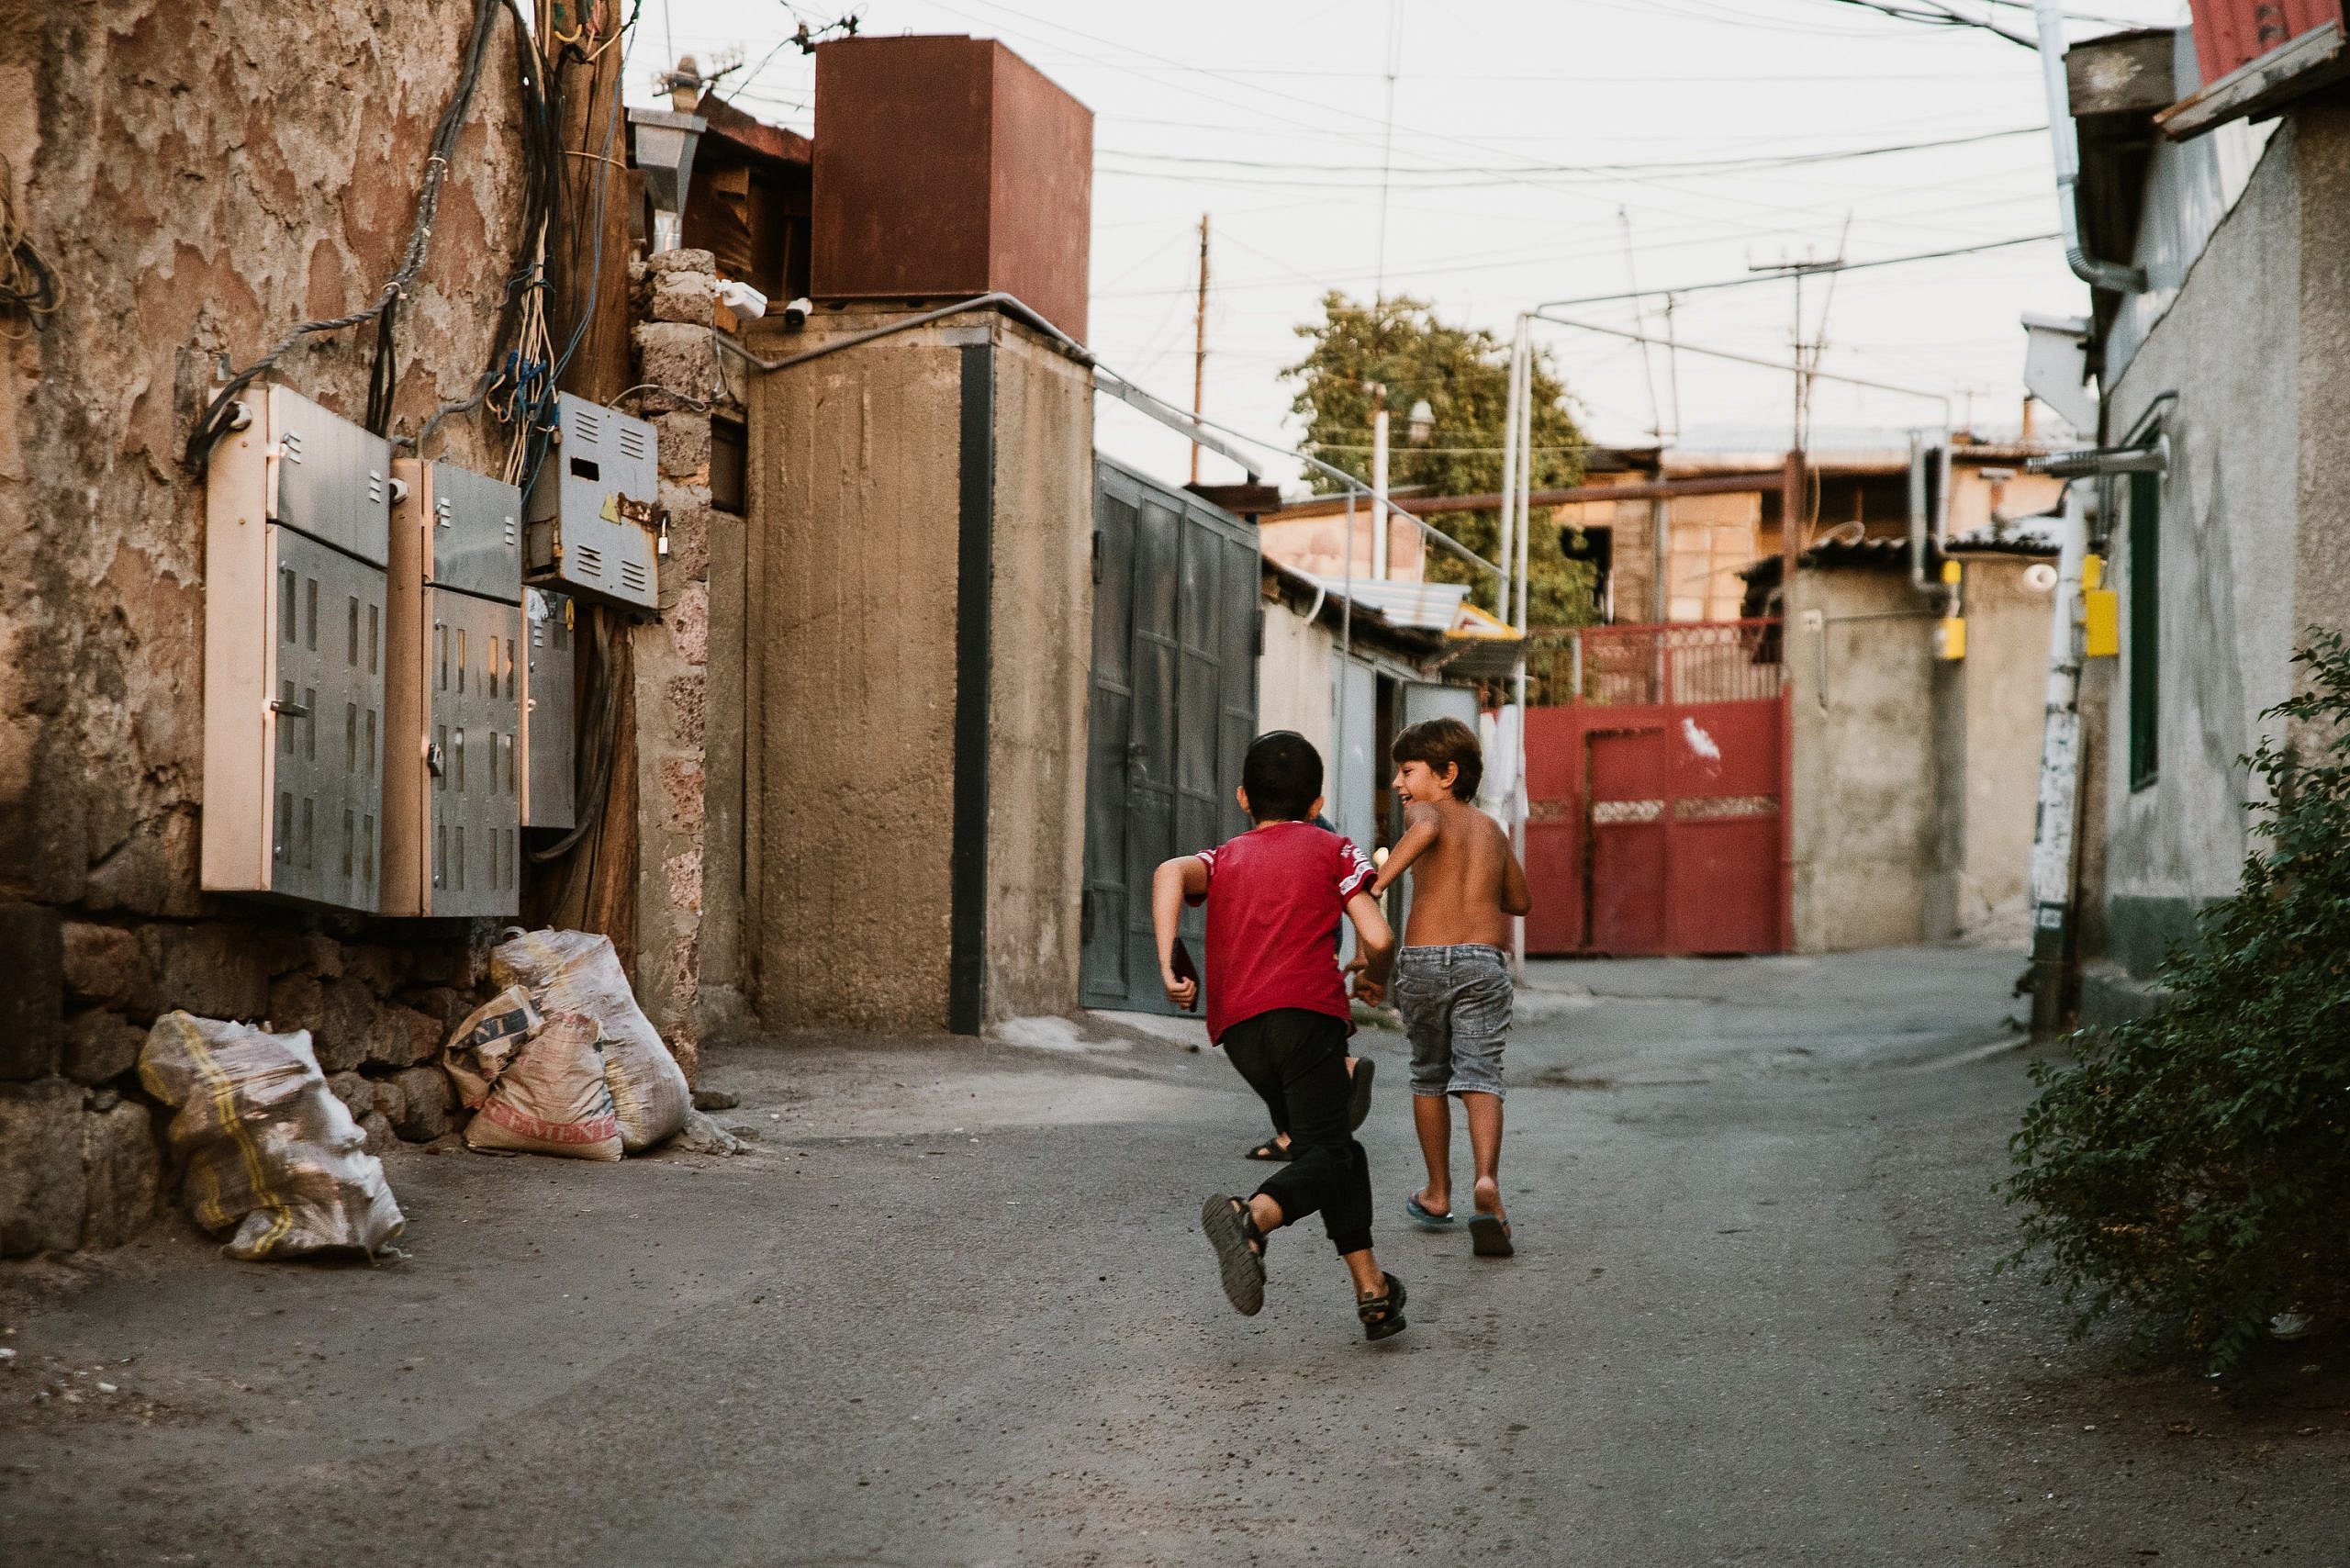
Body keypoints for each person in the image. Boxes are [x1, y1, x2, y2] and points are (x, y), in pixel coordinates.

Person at [1153, 731, 1408, 1341]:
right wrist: (1374, 982)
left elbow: (1168, 872)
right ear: (1317, 804)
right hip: (1306, 1019)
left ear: (1244, 796)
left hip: (1240, 1034)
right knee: (1326, 1153)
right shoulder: (1335, 850)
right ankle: (1253, 1217)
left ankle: (1373, 1290)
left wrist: (1168, 965)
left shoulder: (1223, 857)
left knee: (1335, 1148)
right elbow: (1377, 938)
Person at [1369, 716, 1531, 1258]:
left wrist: (1377, 883)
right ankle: (1487, 1182)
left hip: (1422, 961)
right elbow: (1519, 900)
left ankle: (1439, 1192)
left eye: (1407, 771)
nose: (1398, 784)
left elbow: (1429, 831)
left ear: (1446, 774)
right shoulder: (1491, 829)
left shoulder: (1425, 810)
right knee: (1482, 1074)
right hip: (1483, 962)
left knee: (1429, 1075)